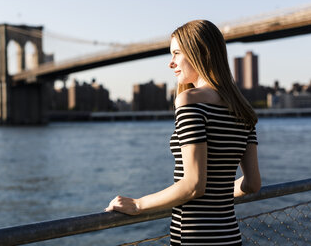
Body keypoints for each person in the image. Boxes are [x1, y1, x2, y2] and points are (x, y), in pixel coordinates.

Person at [105, 19, 261, 246]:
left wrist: (138, 205)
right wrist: (219, 194)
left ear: (202, 53)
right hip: (229, 238)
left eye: (176, 53)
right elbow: (252, 184)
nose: (171, 63)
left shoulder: (189, 101)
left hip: (194, 239)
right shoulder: (243, 109)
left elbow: (193, 185)